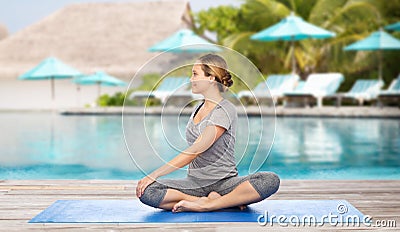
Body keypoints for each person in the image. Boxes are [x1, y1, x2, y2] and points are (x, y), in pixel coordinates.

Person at [136, 54, 280, 212]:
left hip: (225, 184)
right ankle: (209, 201)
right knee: (148, 191)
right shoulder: (197, 108)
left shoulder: (225, 109)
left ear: (211, 78)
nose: (191, 79)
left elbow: (197, 149)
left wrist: (155, 173)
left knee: (270, 180)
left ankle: (210, 204)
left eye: (195, 74)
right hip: (194, 184)